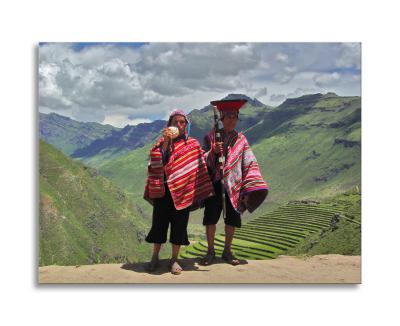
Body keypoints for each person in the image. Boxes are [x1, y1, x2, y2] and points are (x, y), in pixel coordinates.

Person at [144, 109, 214, 274]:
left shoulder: (193, 144)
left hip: (184, 193)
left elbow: (201, 162)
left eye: (182, 122)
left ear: (186, 126)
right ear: (169, 125)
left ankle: (174, 260)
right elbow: (155, 162)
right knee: (159, 225)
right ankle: (155, 257)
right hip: (163, 192)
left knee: (179, 227)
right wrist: (166, 144)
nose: (179, 125)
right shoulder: (161, 144)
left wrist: (215, 153)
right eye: (175, 122)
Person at [200, 99, 269, 266]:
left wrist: (249, 181)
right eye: (228, 116)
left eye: (235, 117)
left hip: (234, 186)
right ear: (222, 118)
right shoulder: (210, 137)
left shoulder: (241, 140)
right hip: (214, 184)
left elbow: (249, 161)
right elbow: (201, 159)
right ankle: (210, 251)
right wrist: (213, 152)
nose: (232, 120)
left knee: (232, 219)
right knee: (210, 219)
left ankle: (227, 251)